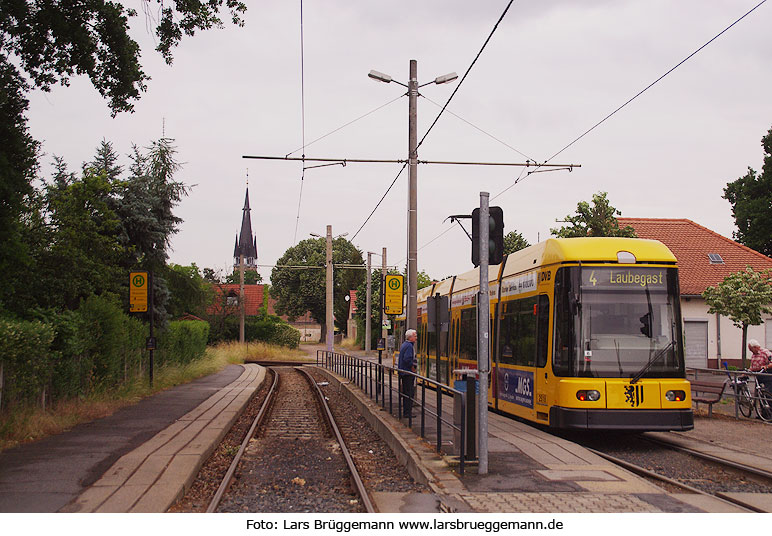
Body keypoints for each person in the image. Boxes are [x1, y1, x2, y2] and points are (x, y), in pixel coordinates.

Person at [398, 329, 418, 418]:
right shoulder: (409, 346)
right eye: (415, 336)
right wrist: (412, 367)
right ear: (410, 337)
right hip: (407, 373)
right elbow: (407, 359)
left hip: (404, 372)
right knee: (409, 393)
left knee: (406, 392)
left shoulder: (404, 345)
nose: (416, 338)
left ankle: (407, 412)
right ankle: (407, 413)